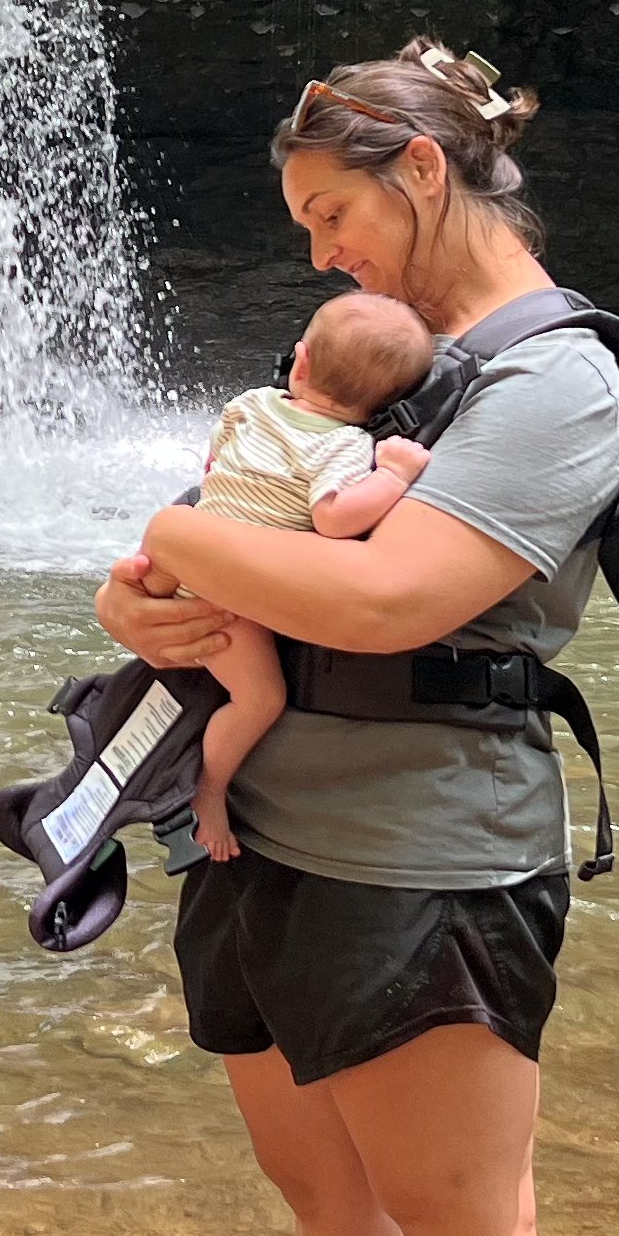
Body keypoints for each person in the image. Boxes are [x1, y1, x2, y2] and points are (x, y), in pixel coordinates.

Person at [94, 38, 619, 1236]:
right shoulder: (374, 360)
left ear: (417, 171)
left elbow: (390, 598)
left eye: (333, 214)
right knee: (325, 1188)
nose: (318, 255)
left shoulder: (553, 381)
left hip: (426, 854)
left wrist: (180, 539)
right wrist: (134, 600)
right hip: (261, 830)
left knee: (460, 1217)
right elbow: (209, 553)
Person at [179, 291, 435, 860]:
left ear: (301, 361)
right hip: (234, 594)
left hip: (197, 563)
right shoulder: (345, 444)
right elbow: (333, 517)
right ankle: (208, 792)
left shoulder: (250, 404)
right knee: (260, 699)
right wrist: (394, 475)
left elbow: (213, 468)